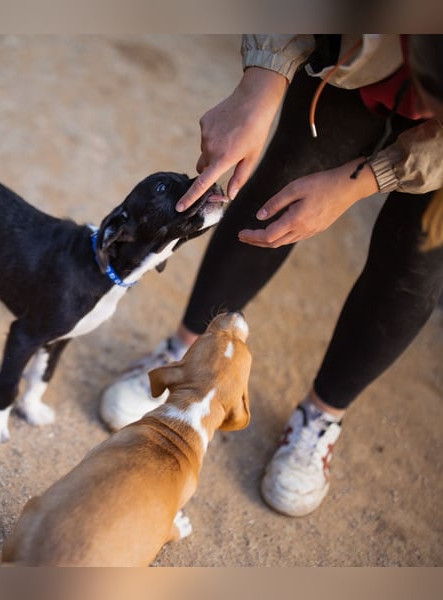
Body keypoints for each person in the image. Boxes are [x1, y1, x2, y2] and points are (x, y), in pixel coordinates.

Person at [100, 35, 443, 517]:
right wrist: (261, 81)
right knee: (280, 182)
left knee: (418, 258)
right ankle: (186, 351)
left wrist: (364, 181)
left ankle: (320, 416)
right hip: (359, 56)